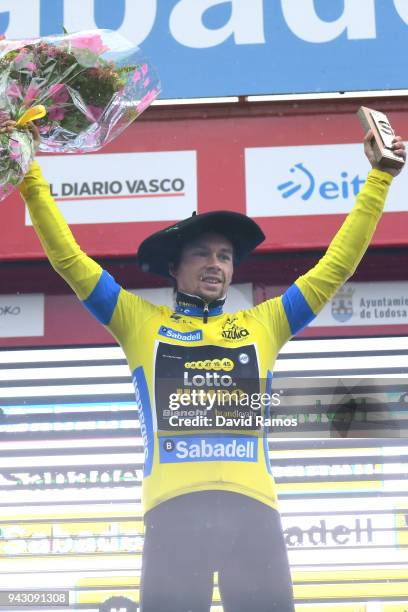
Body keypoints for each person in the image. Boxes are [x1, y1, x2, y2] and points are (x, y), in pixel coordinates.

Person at [6, 116, 405, 611]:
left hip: (254, 513)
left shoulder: (266, 324)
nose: (216, 263)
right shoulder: (137, 321)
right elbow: (69, 258)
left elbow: (336, 266)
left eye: (225, 256)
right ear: (175, 267)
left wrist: (380, 177)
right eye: (201, 254)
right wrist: (27, 173)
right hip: (173, 514)